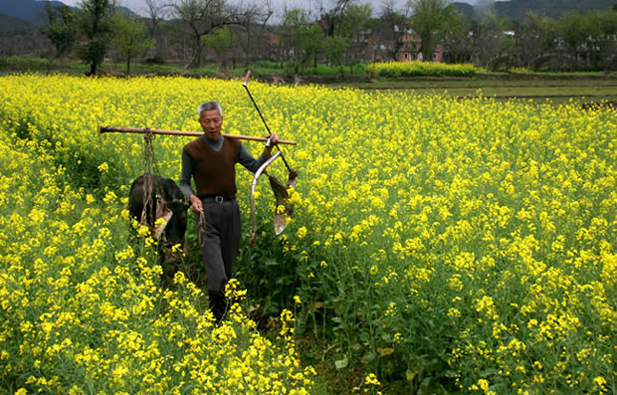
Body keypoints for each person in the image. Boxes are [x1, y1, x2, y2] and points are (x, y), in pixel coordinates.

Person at [179, 100, 278, 323]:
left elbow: (255, 167)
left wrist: (268, 148)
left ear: (222, 120)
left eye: (216, 120)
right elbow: (183, 183)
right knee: (217, 273)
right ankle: (217, 322)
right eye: (207, 121)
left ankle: (223, 316)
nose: (212, 125)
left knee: (227, 267)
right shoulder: (191, 150)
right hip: (207, 212)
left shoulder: (233, 145)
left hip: (231, 211)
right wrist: (192, 197)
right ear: (200, 122)